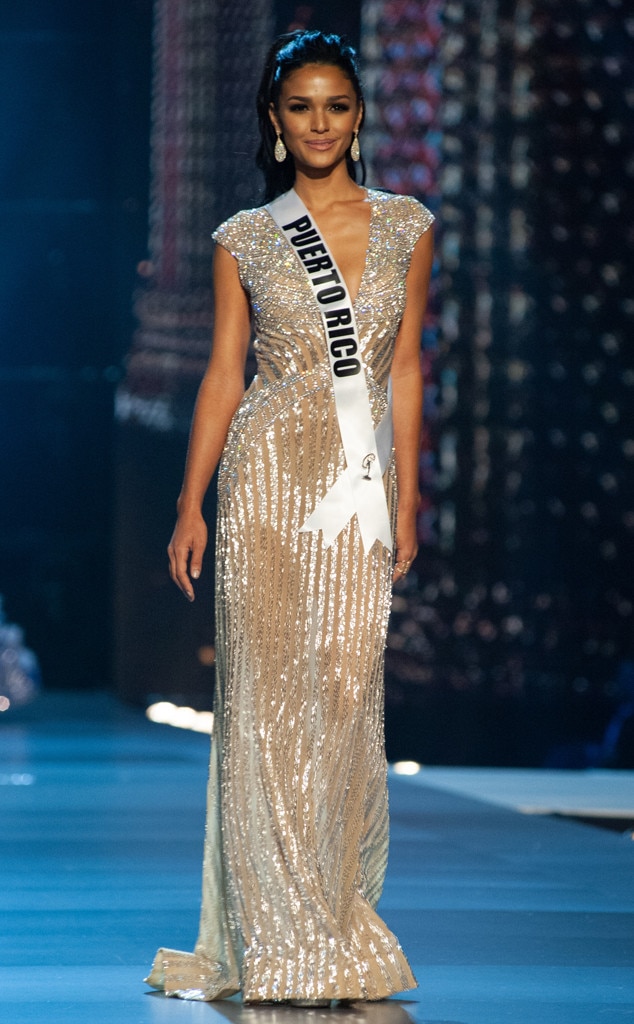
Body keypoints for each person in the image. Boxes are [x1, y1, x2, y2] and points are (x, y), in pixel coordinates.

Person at [146, 29, 434, 1007]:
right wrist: (191, 501)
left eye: (337, 105)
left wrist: (412, 495)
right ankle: (275, 937)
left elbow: (403, 367)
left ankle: (334, 915)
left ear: (358, 118)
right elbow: (224, 373)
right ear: (275, 123)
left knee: (345, 702)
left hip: (357, 486)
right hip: (266, 479)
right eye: (301, 107)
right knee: (267, 710)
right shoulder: (246, 236)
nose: (320, 123)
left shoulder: (405, 225)